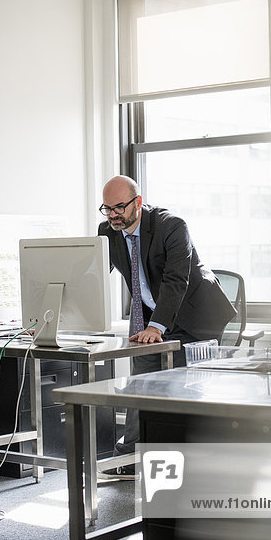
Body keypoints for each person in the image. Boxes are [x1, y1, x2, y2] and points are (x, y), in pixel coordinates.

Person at [98, 176, 236, 476]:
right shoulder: (107, 231)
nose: (112, 215)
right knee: (141, 383)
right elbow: (91, 272)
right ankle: (130, 458)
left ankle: (198, 460)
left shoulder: (171, 226)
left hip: (194, 317)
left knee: (186, 388)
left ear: (137, 202)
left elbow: (177, 281)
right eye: (106, 208)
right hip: (150, 318)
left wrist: (157, 326)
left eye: (119, 207)